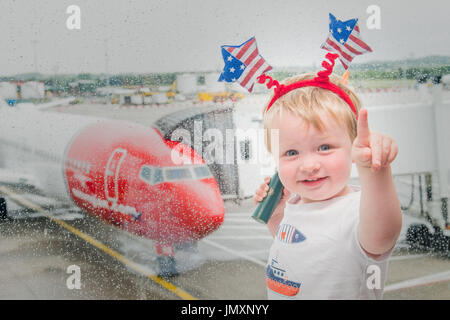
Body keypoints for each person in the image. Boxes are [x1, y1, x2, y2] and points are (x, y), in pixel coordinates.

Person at [254, 65, 402, 299]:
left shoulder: (357, 211)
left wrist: (375, 170)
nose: (308, 165)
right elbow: (294, 247)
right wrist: (276, 215)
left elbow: (382, 237)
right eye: (291, 153)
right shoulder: (297, 203)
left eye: (324, 147)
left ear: (353, 146)